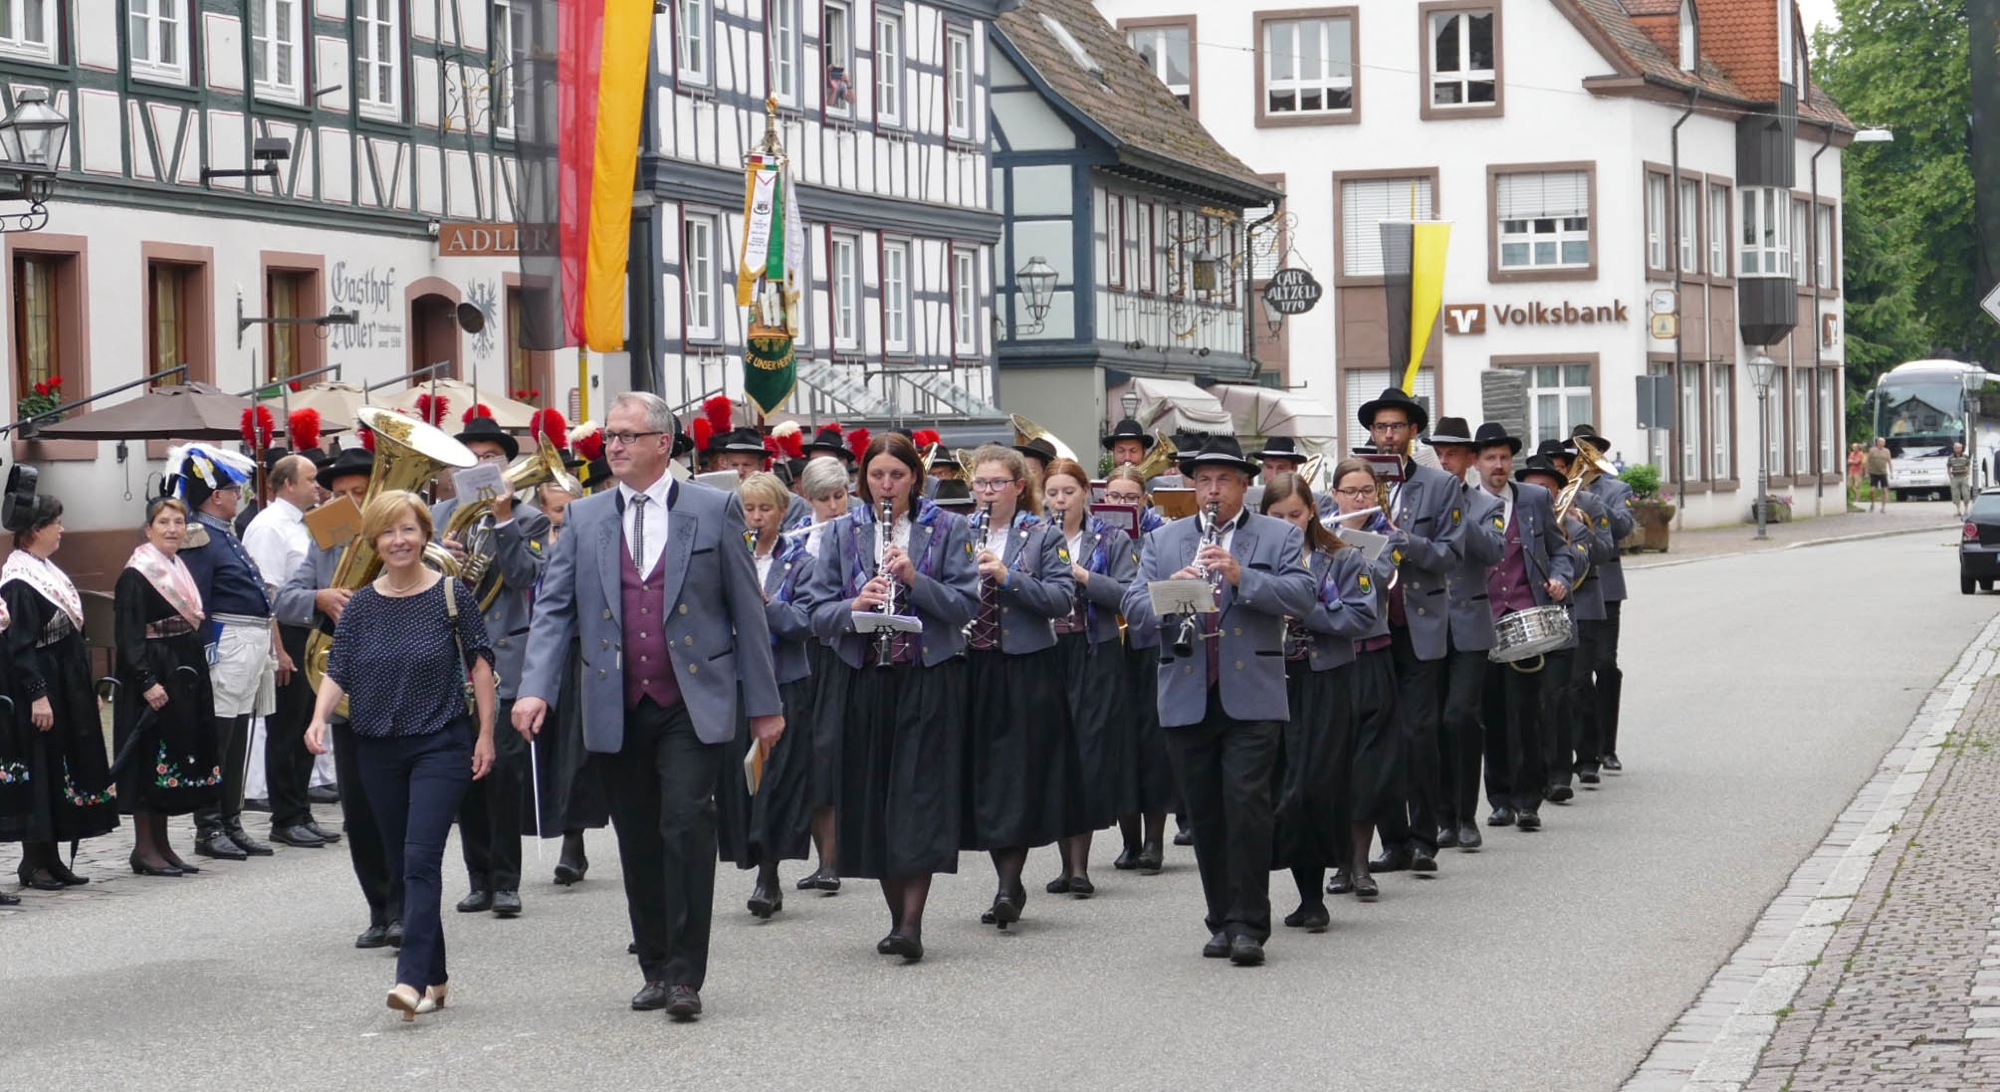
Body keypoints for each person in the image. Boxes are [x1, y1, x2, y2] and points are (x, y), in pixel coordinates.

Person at [513, 391, 784, 1019]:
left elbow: (747, 610)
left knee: (685, 825)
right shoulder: (585, 518)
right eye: (611, 435)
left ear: (663, 443)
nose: (614, 445)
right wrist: (534, 687)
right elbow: (553, 610)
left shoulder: (713, 509)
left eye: (628, 435)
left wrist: (764, 705)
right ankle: (656, 967)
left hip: (692, 697)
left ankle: (686, 976)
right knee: (637, 836)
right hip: (616, 698)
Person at [1121, 436, 1314, 966]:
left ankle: (1250, 924)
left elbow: (1303, 596)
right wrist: (1169, 590)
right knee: (1205, 813)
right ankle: (1221, 920)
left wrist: (1240, 576)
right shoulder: (1165, 540)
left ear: (1244, 485)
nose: (1212, 490)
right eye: (1203, 480)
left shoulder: (1277, 534)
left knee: (1247, 807)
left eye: (1224, 480)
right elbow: (1132, 608)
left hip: (1252, 694)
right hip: (1187, 692)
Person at [306, 489, 497, 1021]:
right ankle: (436, 976)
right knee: (401, 859)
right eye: (388, 532)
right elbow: (339, 668)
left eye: (408, 529)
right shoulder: (362, 605)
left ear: (425, 535)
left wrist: (485, 734)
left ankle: (409, 979)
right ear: (375, 541)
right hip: (377, 748)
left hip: (441, 742)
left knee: (420, 858)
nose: (398, 540)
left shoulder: (451, 595)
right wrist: (318, 718)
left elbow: (481, 665)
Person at [801, 431, 978, 962]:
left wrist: (915, 579)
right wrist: (855, 605)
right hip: (863, 678)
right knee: (874, 796)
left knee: (918, 798)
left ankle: (911, 924)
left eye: (896, 475)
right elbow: (816, 612)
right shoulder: (841, 531)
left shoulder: (949, 527)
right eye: (876, 475)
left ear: (914, 479)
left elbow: (965, 605)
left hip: (926, 677)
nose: (886, 485)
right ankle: (895, 915)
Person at [275, 449, 404, 948]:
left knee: (400, 808)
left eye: (361, 492)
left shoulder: (403, 534)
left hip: (402, 687)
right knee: (361, 810)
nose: (353, 502)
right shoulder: (326, 536)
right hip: (350, 691)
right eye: (343, 493)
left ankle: (405, 909)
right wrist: (319, 597)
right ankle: (379, 909)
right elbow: (284, 598)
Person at [434, 415, 551, 921]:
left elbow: (525, 577)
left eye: (490, 458)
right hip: (450, 659)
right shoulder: (437, 516)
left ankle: (506, 881)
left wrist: (503, 522)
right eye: (472, 458)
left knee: (502, 772)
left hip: (504, 658)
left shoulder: (530, 519)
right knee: (464, 773)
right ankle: (478, 877)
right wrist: (439, 557)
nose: (481, 465)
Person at [957, 444, 1075, 928]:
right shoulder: (958, 531)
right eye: (980, 484)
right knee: (985, 775)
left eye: (997, 484)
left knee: (1017, 775)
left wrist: (1008, 577)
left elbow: (1062, 599)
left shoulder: (1043, 534)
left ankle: (1009, 885)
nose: (987, 492)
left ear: (1019, 487)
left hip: (1026, 666)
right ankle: (1006, 880)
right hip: (972, 664)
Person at [1354, 387, 1467, 878]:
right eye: (1380, 427)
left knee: (1419, 734)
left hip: (1419, 622)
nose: (1387, 435)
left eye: (1396, 427)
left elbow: (1451, 555)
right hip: (1371, 624)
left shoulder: (1440, 485)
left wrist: (1406, 542)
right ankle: (1392, 841)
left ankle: (1424, 839)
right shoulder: (1357, 482)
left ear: (1413, 431)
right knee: (1379, 737)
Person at [1260, 472, 1378, 933]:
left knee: (1315, 786)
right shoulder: (1255, 559)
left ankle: (1321, 889)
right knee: (1282, 786)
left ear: (1311, 511)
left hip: (1327, 678)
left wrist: (1307, 609)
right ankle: (1299, 894)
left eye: (1295, 514)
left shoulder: (1341, 557)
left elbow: (1363, 616)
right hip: (1273, 679)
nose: (1287, 525)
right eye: (1277, 516)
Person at [3, 479, 116, 889]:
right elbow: (19, 647)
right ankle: (33, 860)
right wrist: (38, 696)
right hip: (41, 685)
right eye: (56, 523)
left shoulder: (45, 570)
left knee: (60, 767)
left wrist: (85, 689)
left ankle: (51, 858)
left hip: (64, 682)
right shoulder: (19, 581)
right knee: (41, 767)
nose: (61, 530)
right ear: (36, 530)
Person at [175, 444, 285, 862]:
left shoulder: (225, 533)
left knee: (238, 734)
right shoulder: (200, 537)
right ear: (215, 495)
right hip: (228, 641)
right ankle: (209, 825)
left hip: (249, 640)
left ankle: (231, 818)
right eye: (233, 490)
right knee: (218, 738)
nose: (239, 495)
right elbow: (198, 601)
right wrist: (207, 653)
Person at [715, 472, 817, 919]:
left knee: (775, 778)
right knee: (740, 778)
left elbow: (805, 621)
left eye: (765, 509)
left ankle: (769, 876)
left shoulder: (800, 561)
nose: (756, 518)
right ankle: (752, 856)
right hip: (733, 680)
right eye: (748, 509)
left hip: (782, 680)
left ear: (782, 512)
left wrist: (765, 603)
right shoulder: (724, 556)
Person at [1470, 424, 1580, 834]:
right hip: (1482, 623)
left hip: (1527, 621)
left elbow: (1560, 551)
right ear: (1477, 463)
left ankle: (1528, 801)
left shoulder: (1533, 499)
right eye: (1490, 458)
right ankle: (1499, 800)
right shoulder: (1465, 503)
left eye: (1503, 457)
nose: (1498, 465)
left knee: (1527, 712)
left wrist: (1560, 579)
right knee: (1491, 714)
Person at [113, 496, 221, 877]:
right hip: (153, 671)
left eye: (178, 522)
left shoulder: (178, 566)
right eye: (164, 522)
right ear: (149, 529)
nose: (172, 529)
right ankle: (144, 847)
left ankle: (162, 844)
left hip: (180, 665)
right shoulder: (136, 574)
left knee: (170, 755)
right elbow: (128, 635)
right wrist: (146, 680)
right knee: (148, 756)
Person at [1041, 457, 1135, 895]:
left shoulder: (1112, 538)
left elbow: (1128, 594)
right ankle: (1066, 865)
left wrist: (1084, 577)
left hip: (1095, 651)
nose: (1061, 500)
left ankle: (1079, 867)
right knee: (1056, 751)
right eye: (1053, 493)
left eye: (1069, 492)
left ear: (1085, 494)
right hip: (1048, 651)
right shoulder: (1034, 536)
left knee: (1088, 752)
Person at [243, 453, 332, 849]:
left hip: (311, 631)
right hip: (288, 634)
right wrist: (279, 650)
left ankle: (301, 809)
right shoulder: (269, 527)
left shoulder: (310, 522)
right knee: (285, 729)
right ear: (287, 484)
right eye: (310, 479)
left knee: (307, 723)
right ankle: (285, 815)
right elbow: (266, 594)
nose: (318, 485)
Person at [1421, 418, 1503, 851]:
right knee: (1432, 722)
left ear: (1470, 460)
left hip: (1470, 627)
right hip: (1428, 625)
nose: (1444, 460)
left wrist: (1455, 511)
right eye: (1439, 453)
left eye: (1452, 454)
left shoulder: (1486, 504)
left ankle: (1467, 814)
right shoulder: (1419, 500)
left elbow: (1492, 551)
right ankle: (1442, 817)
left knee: (1461, 718)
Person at [1323, 460, 1399, 900]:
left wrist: (1353, 545)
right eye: (1350, 491)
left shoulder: (1388, 536)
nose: (1359, 499)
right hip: (1330, 658)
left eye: (1367, 491)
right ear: (1334, 494)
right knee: (1333, 763)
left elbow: (1382, 578)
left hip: (1371, 655)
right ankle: (1338, 862)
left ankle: (1361, 863)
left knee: (1368, 766)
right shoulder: (1317, 531)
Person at [1101, 465, 1175, 857]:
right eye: (1115, 497)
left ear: (1145, 500)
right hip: (1109, 645)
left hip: (1147, 643)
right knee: (1118, 742)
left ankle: (1153, 841)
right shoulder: (1097, 535)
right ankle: (1129, 841)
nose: (1123, 503)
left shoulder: (1159, 535)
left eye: (1131, 497)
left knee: (1151, 740)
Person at [793, 455, 852, 892]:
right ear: (806, 498)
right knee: (807, 755)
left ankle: (834, 860)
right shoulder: (796, 539)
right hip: (802, 652)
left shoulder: (859, 533)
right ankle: (823, 860)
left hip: (842, 651)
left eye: (839, 496)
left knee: (831, 753)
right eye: (823, 499)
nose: (833, 507)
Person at [1565, 424, 1636, 775]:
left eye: (1590, 452)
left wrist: (1593, 506)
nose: (1583, 460)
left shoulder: (1616, 489)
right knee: (1577, 676)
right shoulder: (1560, 488)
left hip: (1606, 590)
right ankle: (1585, 748)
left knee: (1605, 665)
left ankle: (1608, 746)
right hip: (1572, 587)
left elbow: (1623, 528)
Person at [1864, 439, 1892, 512]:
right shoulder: (1872, 450)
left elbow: (1889, 462)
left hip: (1883, 473)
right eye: (1880, 442)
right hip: (1874, 473)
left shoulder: (1887, 451)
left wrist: (1891, 473)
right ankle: (1872, 504)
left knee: (1885, 490)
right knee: (1872, 490)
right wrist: (1866, 473)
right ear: (1877, 443)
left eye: (1883, 442)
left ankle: (1883, 507)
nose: (1882, 443)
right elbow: (1868, 462)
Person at [1950, 442, 1974, 517]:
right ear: (1954, 448)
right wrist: (1950, 476)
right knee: (1955, 494)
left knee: (1966, 494)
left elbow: (1968, 465)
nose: (1958, 449)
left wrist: (1968, 474)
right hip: (1955, 477)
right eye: (1956, 448)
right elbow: (1948, 467)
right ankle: (1958, 511)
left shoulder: (1965, 457)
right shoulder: (1951, 457)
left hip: (1964, 477)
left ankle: (1966, 510)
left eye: (1959, 448)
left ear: (1961, 448)